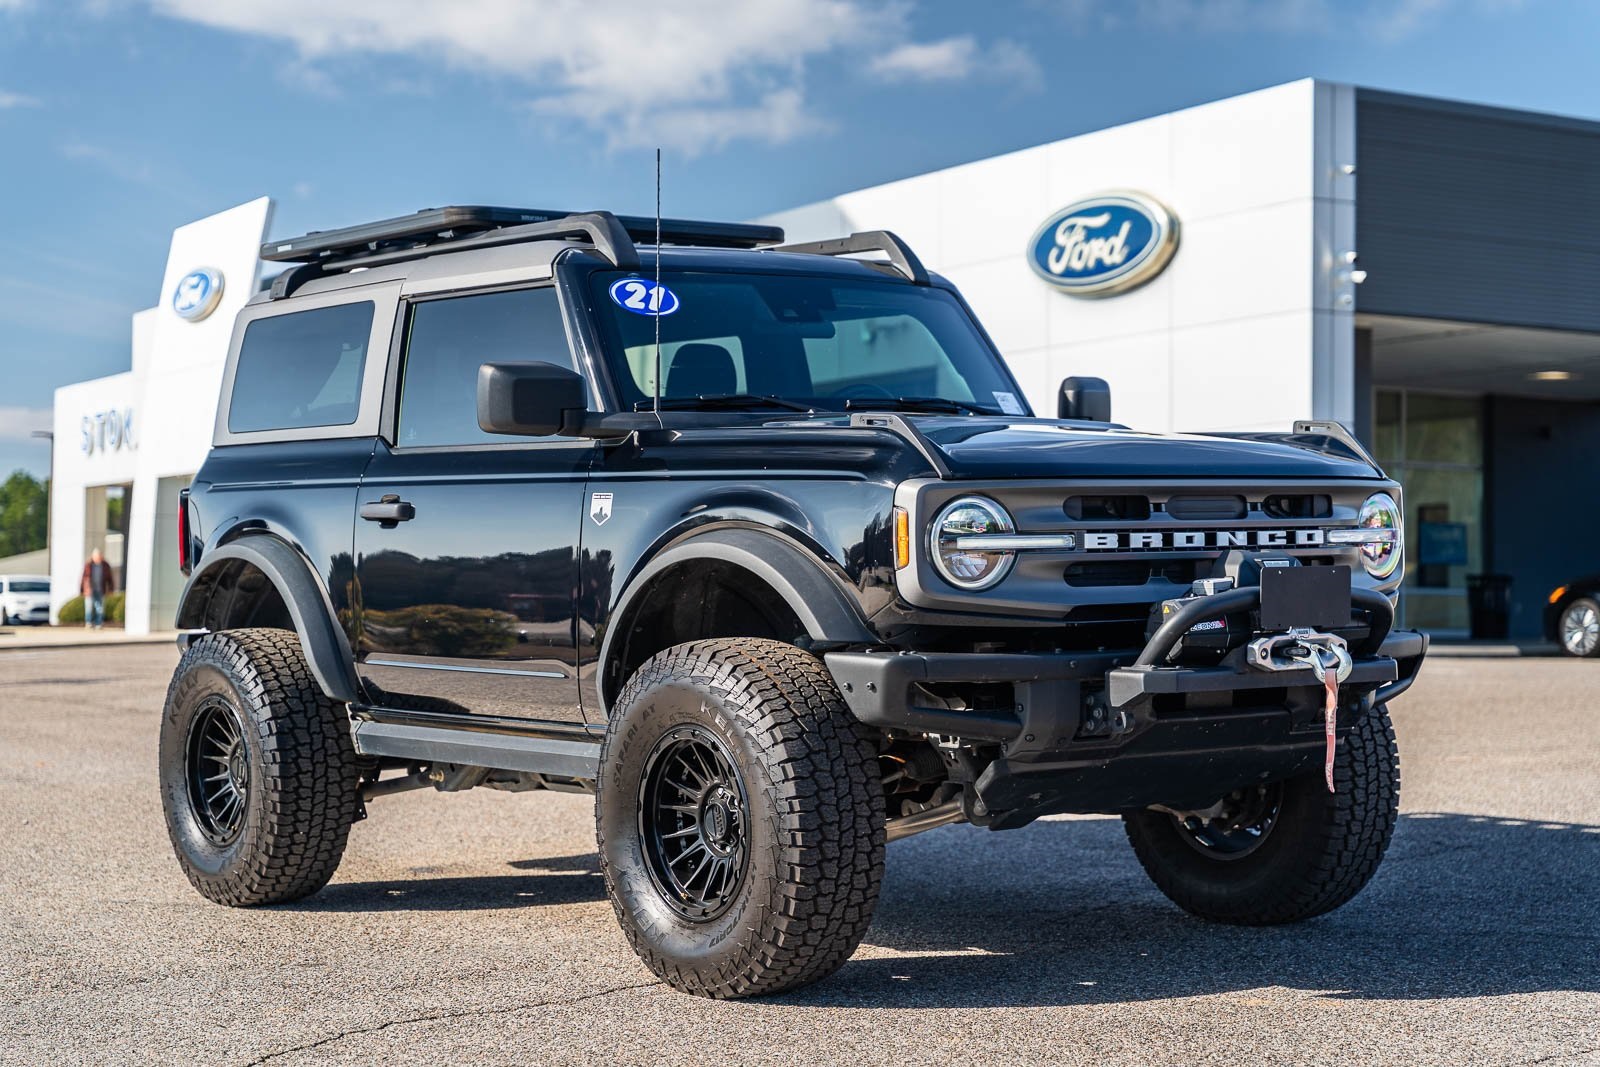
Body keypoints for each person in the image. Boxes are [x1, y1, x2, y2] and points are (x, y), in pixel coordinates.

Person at [81, 548, 115, 630]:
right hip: (89, 590)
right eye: (96, 557)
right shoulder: (88, 565)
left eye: (99, 556)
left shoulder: (105, 565)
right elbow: (84, 578)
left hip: (100, 590)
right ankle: (88, 623)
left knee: (100, 608)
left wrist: (111, 589)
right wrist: (82, 590)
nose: (98, 558)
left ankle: (98, 623)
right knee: (89, 607)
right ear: (93, 557)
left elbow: (110, 578)